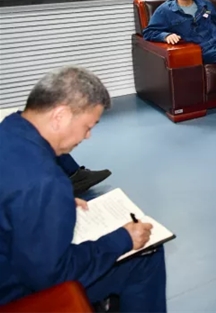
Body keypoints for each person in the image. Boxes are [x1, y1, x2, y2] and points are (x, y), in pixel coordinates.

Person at [0, 67, 166, 312]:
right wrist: (123, 239)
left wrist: (56, 206)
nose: (87, 136)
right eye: (88, 126)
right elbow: (52, 275)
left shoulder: (8, 129)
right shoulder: (46, 181)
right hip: (13, 290)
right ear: (60, 116)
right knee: (146, 255)